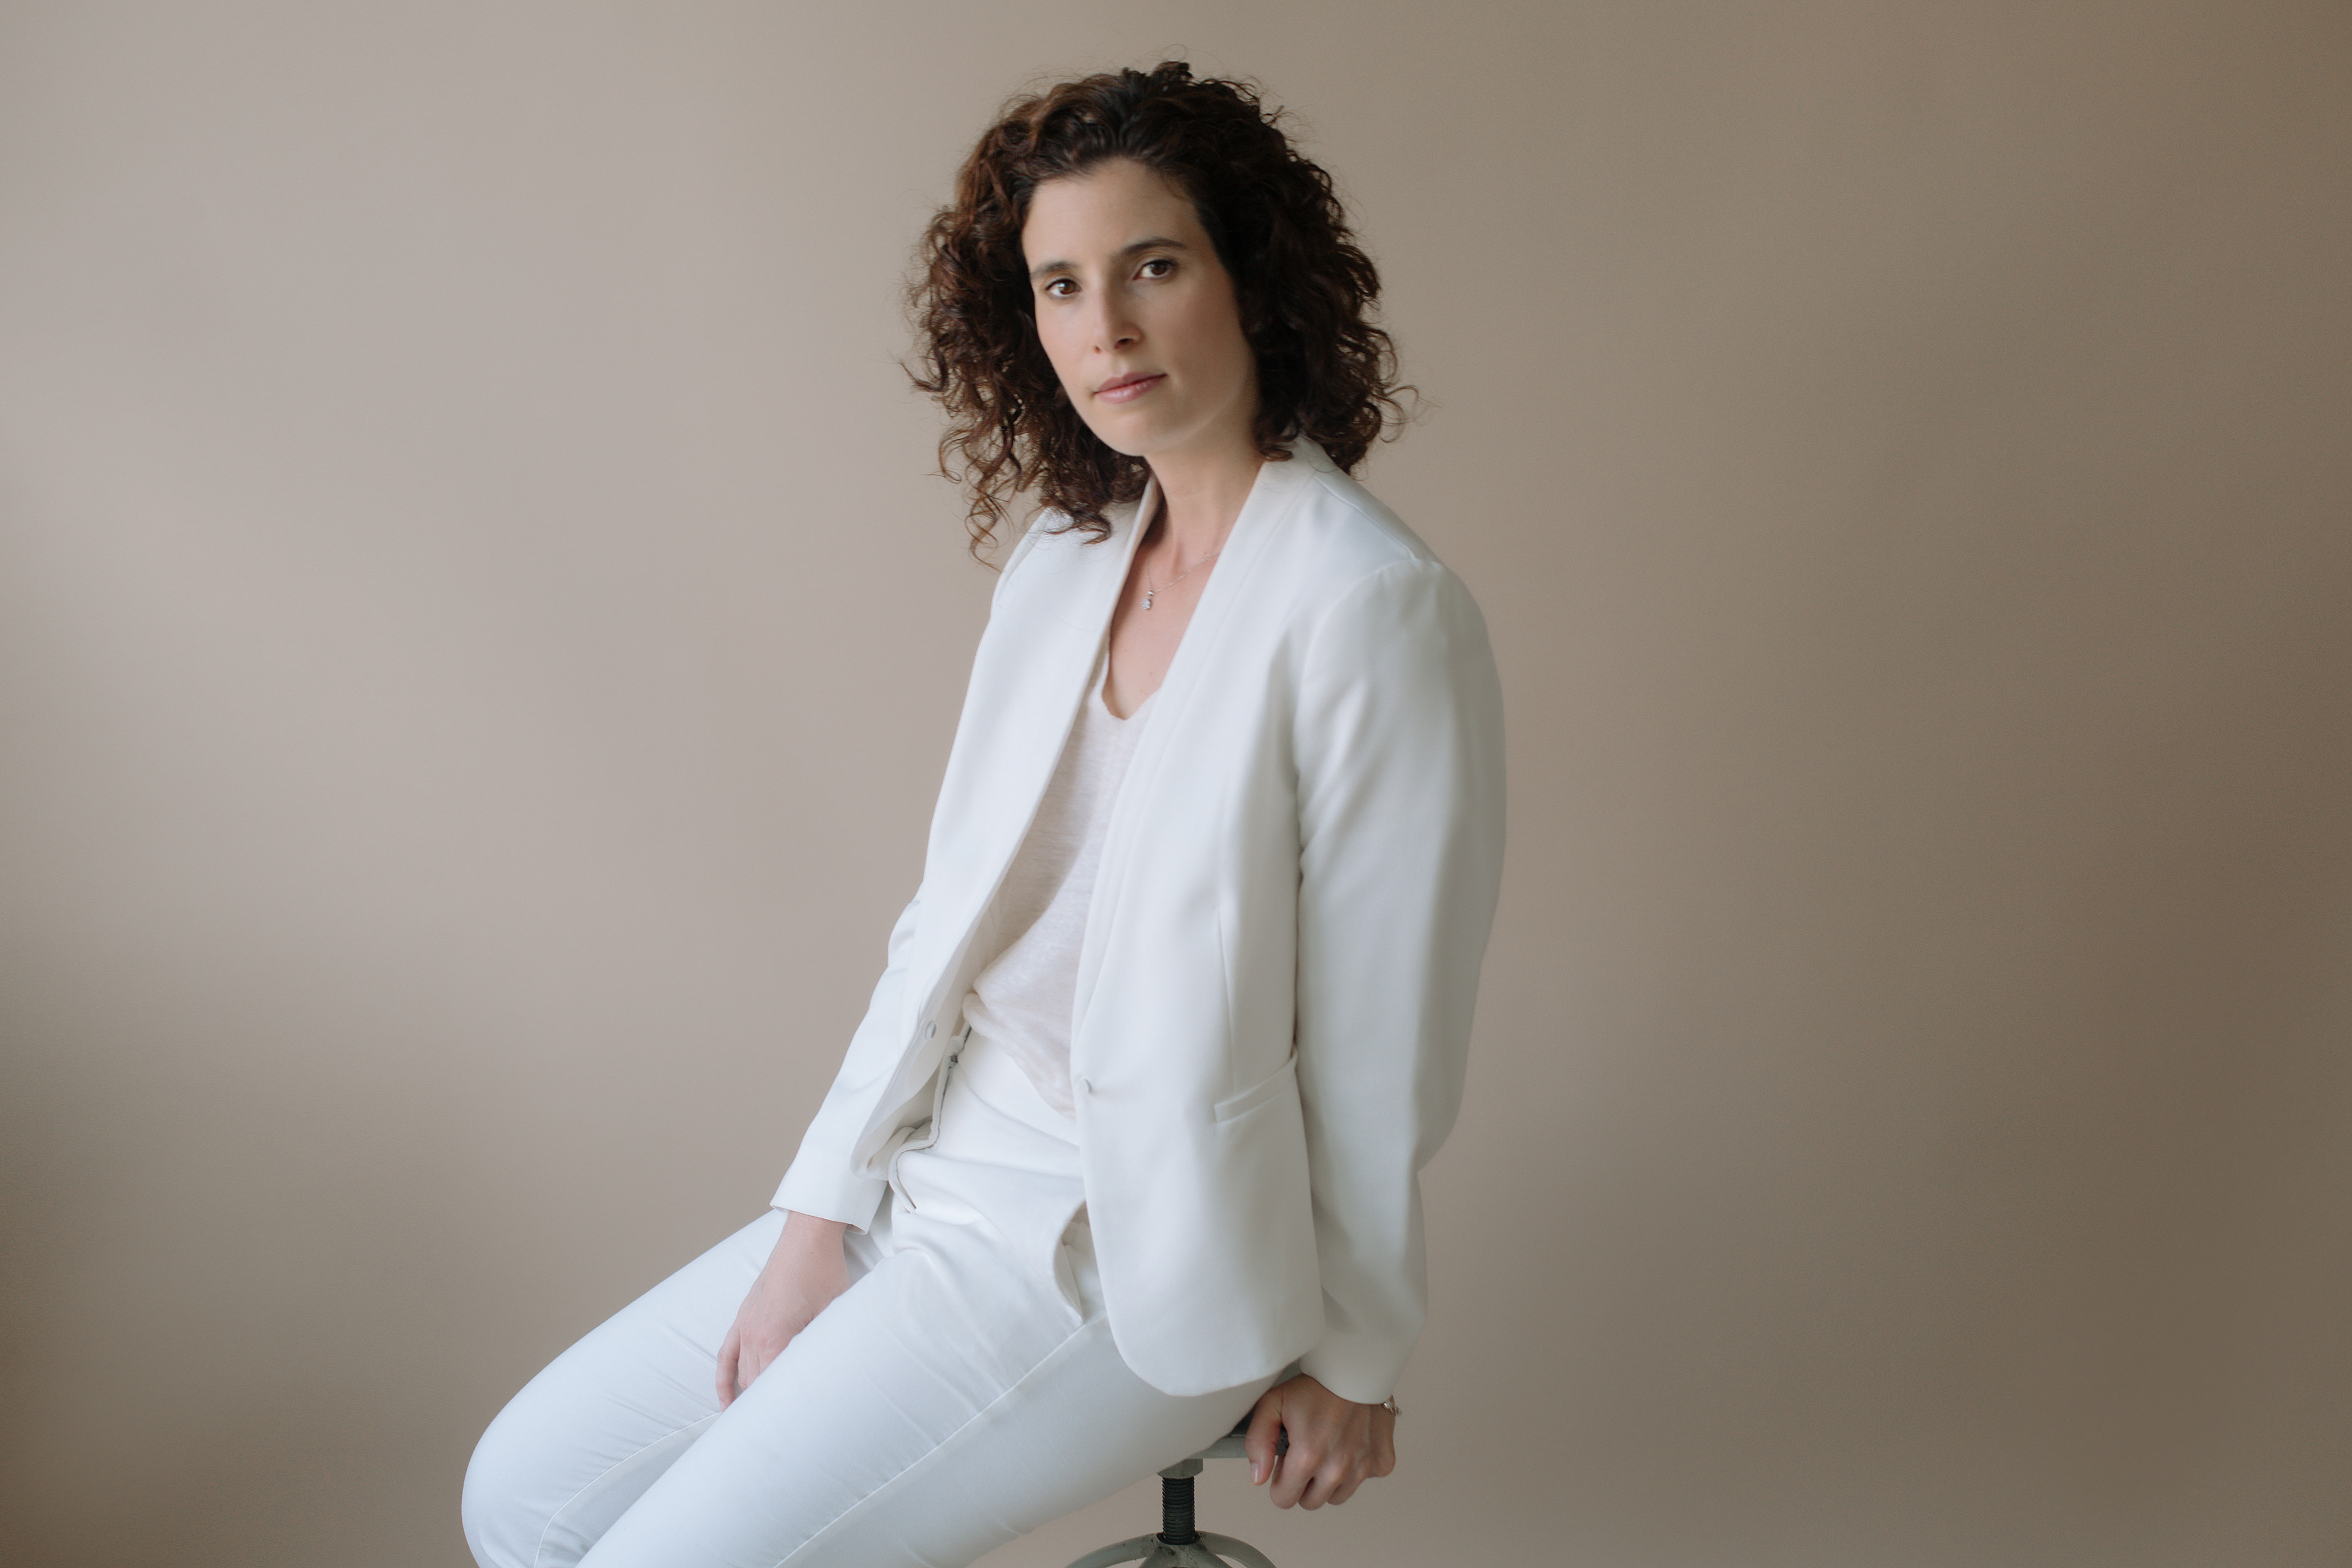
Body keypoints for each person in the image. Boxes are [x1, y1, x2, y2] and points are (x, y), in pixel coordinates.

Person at [461, 61, 1504, 1568]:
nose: (1107, 326)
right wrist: (818, 1215)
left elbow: (1386, 1038)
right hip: (933, 1167)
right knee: (523, 1496)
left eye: (1155, 265)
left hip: (1122, 1246)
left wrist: (1358, 1352)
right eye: (1061, 284)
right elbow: (941, 927)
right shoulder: (1064, 566)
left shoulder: (1370, 606)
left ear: (1252, 277)